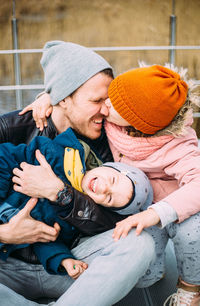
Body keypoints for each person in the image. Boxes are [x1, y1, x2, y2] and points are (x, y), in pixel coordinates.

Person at [0, 41, 156, 306]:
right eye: (96, 101)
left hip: (72, 263)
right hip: (6, 266)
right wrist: (5, 234)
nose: (105, 110)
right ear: (63, 98)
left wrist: (61, 194)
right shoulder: (9, 127)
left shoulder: (109, 140)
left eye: (108, 102)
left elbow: (114, 221)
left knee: (140, 244)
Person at [0, 121, 153, 277]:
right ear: (108, 166)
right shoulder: (57, 154)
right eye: (113, 180)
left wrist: (63, 259)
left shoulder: (72, 220)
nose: (105, 188)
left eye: (109, 198)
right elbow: (6, 156)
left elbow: (43, 237)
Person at [102, 64, 200, 305]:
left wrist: (158, 213)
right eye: (108, 97)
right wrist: (48, 99)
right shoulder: (114, 126)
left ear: (140, 122)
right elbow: (76, 102)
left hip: (177, 210)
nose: (105, 104)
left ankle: (190, 288)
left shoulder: (178, 145)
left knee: (193, 234)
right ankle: (156, 271)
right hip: (140, 209)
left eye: (114, 104)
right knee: (146, 277)